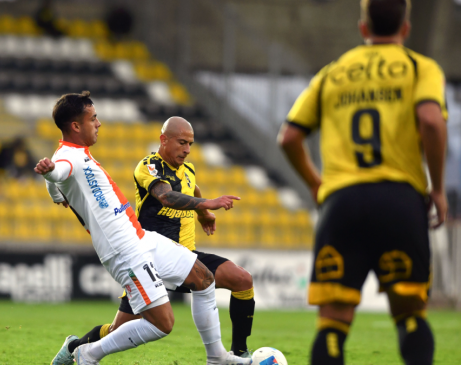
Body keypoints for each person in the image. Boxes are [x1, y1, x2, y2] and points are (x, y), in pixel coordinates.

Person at [277, 1, 448, 364]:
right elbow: (432, 121)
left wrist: (315, 183)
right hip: (399, 201)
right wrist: (437, 188)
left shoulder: (332, 73)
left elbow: (289, 137)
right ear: (405, 28)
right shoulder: (420, 67)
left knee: (333, 324)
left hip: (342, 203)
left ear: (362, 28)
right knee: (410, 314)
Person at [35, 91, 247, 365]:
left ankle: (217, 357)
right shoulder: (68, 158)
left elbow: (56, 179)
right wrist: (51, 173)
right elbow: (59, 170)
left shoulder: (76, 154)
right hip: (122, 249)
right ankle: (88, 353)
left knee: (204, 279)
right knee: (162, 323)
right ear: (76, 126)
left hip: (141, 238)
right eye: (93, 118)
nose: (98, 123)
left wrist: (54, 190)